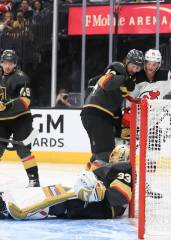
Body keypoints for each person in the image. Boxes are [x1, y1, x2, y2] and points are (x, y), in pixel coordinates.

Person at [0, 144, 132, 220]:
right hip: (94, 200)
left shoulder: (124, 168)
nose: (113, 156)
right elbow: (87, 175)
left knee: (59, 202)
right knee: (54, 190)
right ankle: (13, 201)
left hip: (100, 205)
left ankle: (9, 211)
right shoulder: (112, 167)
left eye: (117, 154)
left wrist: (97, 193)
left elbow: (121, 195)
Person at [80, 49, 144, 170]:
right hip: (98, 114)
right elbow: (106, 83)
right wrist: (124, 79)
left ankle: (86, 179)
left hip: (94, 114)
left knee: (98, 154)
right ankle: (96, 184)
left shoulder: (122, 78)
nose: (135, 70)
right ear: (127, 61)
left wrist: (119, 128)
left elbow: (115, 108)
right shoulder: (118, 67)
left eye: (138, 68)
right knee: (105, 153)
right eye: (133, 66)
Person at [0, 49, 40, 187]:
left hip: (21, 119)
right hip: (2, 121)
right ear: (1, 63)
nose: (7, 65)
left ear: (15, 64)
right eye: (5, 62)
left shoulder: (21, 77)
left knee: (23, 150)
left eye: (10, 62)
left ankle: (34, 180)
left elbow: (26, 100)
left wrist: (8, 105)